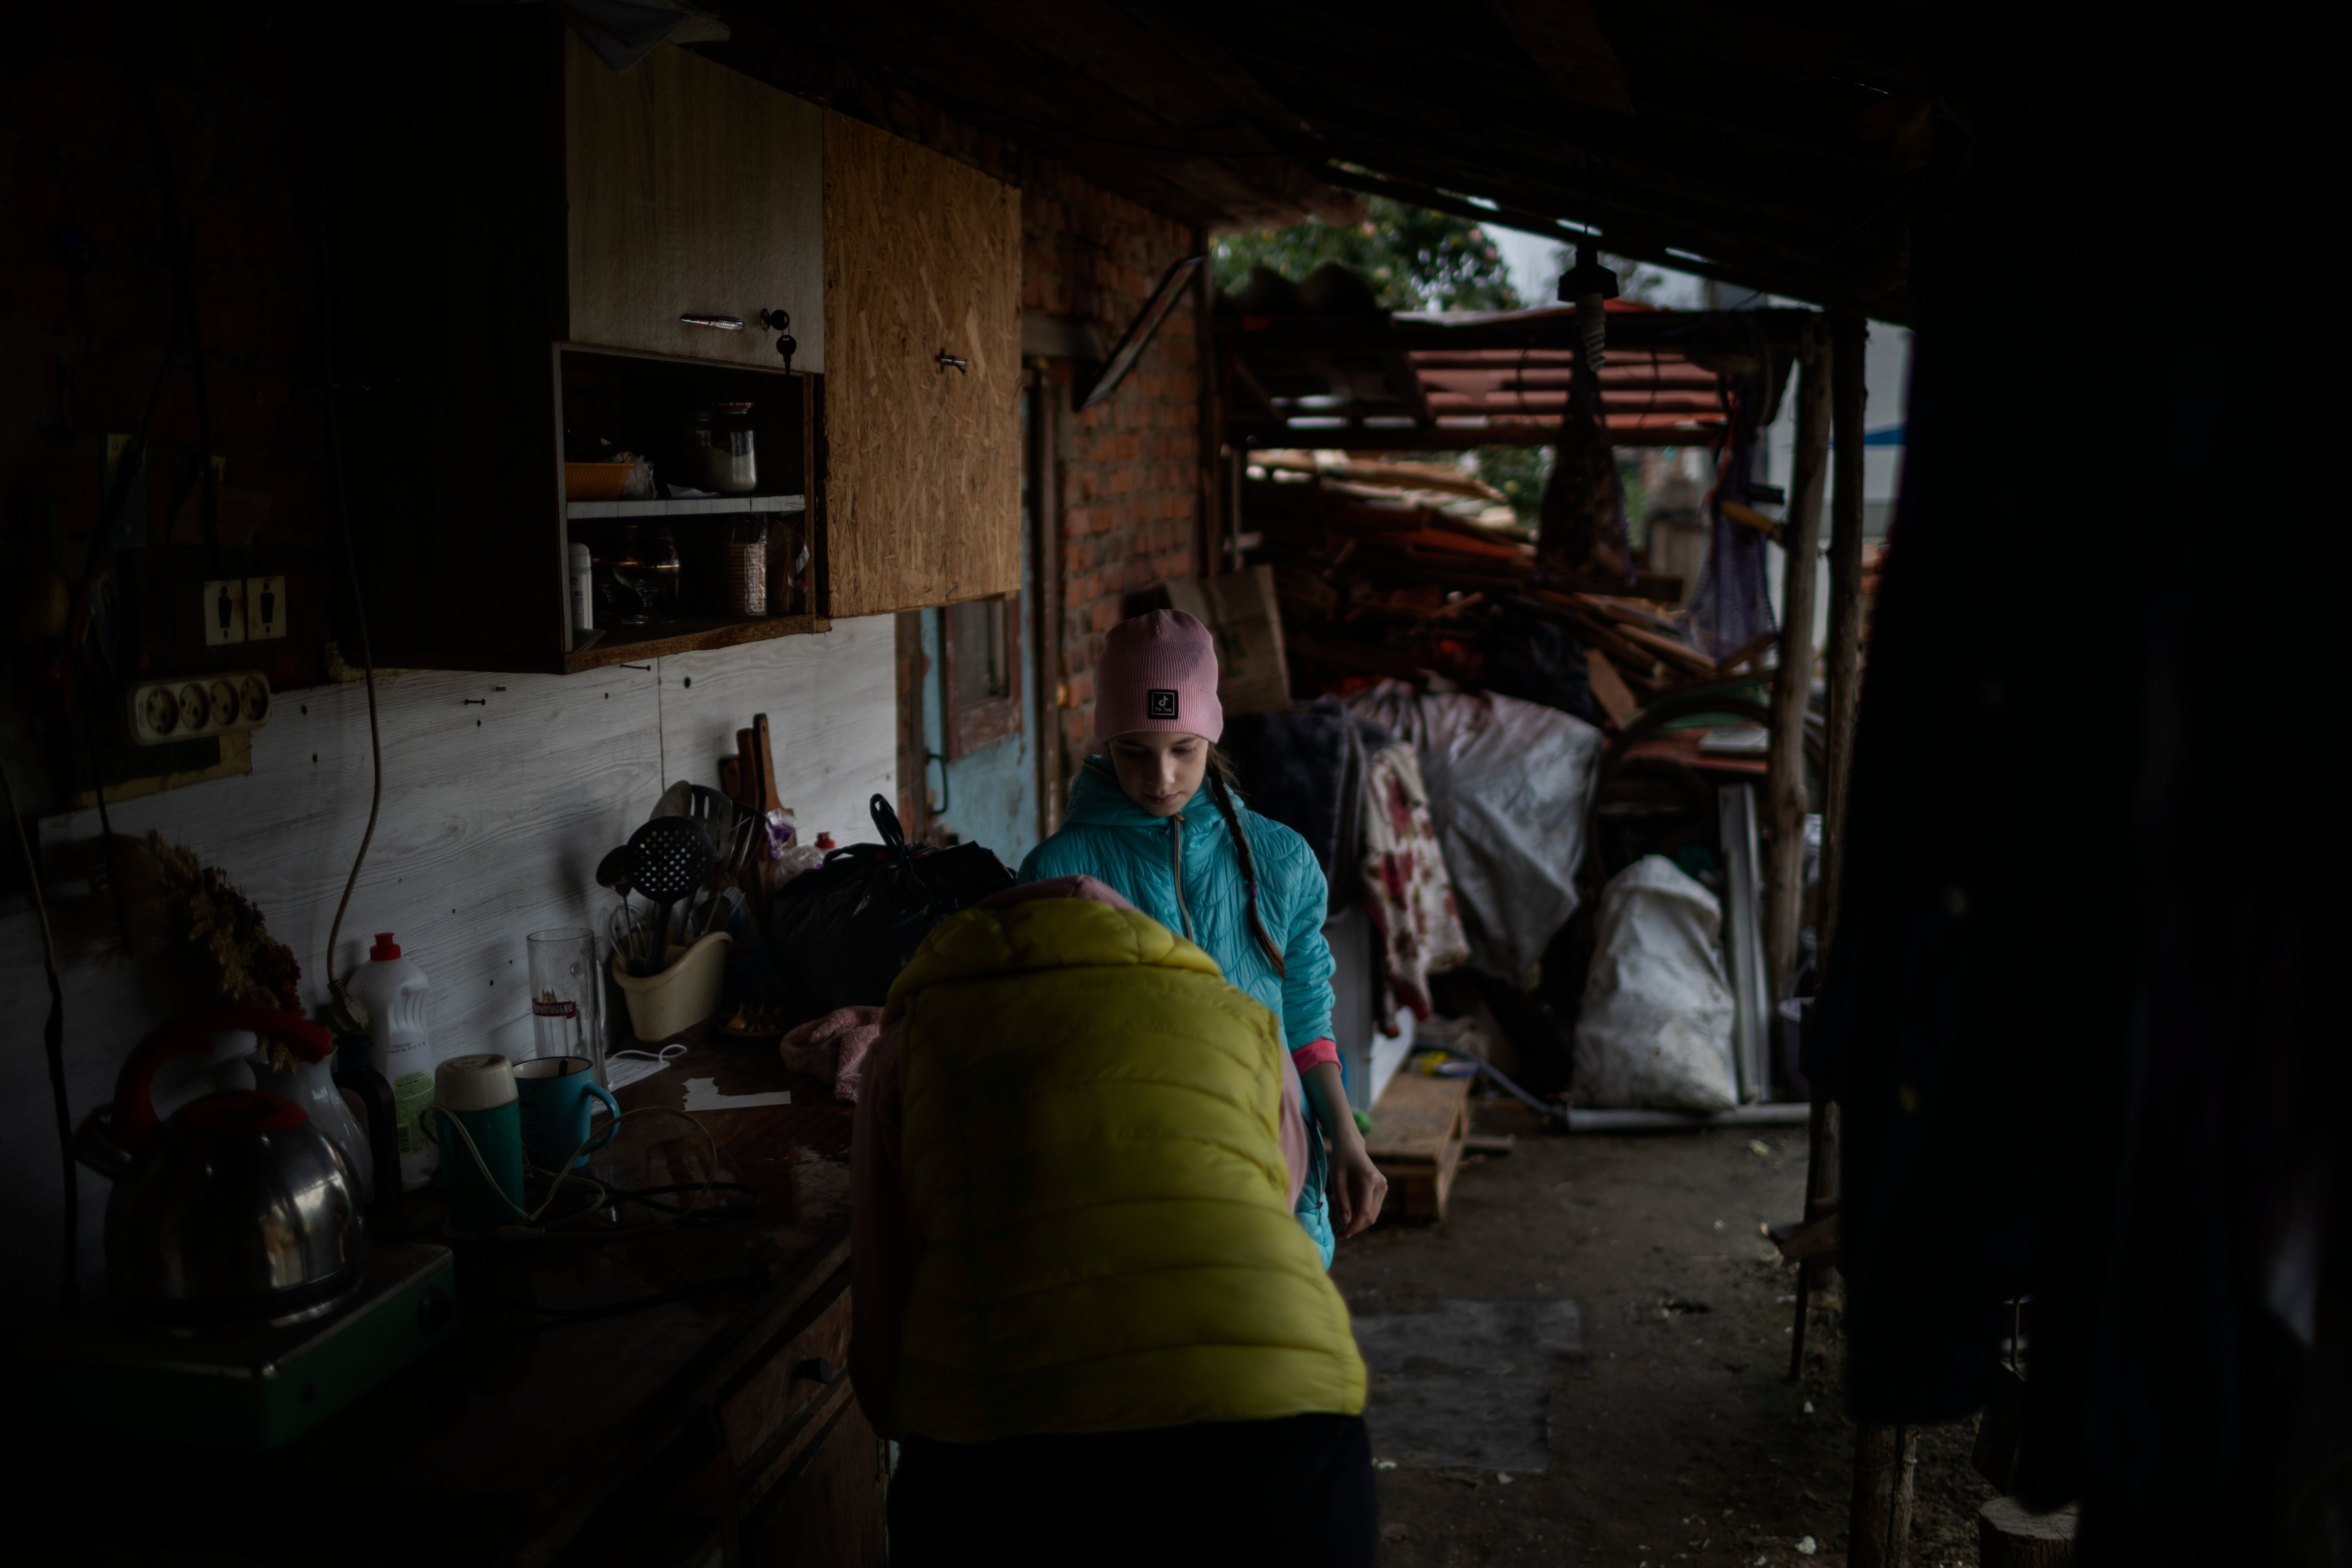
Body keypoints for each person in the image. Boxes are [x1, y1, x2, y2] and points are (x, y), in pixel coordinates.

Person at [852, 876, 1376, 1563]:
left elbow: (890, 1287)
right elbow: (1271, 1204)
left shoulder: (912, 1041)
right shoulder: (1239, 1017)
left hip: (1010, 1444)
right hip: (1278, 1417)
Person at [1018, 609, 1386, 1262]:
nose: (1161, 779)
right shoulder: (1060, 873)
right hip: (1132, 1192)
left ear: (1212, 737)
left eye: (1183, 750)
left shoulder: (1282, 861)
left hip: (1274, 1173)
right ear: (1106, 743)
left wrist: (1347, 1141)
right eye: (1134, 751)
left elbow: (1304, 1022)